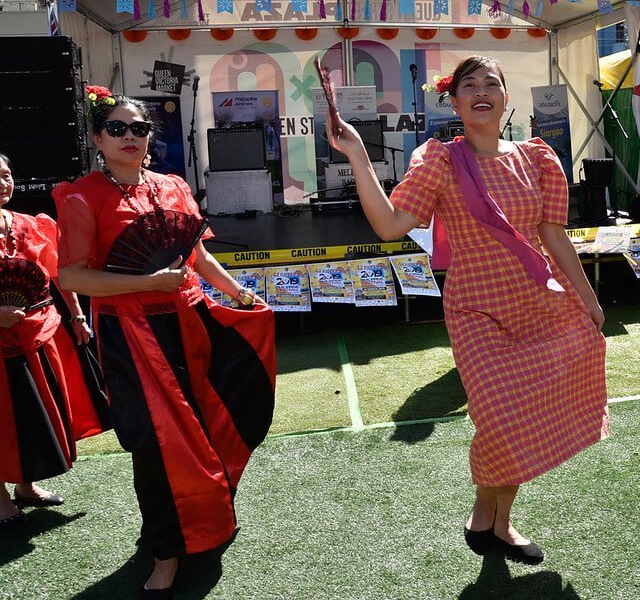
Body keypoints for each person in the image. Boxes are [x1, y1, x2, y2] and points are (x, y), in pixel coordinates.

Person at [325, 56, 607, 564]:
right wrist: (360, 159)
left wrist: (589, 300)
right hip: (476, 309)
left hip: (540, 302)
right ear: (453, 102)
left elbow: (552, 235)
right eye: (468, 85)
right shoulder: (440, 159)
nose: (481, 91)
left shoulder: (536, 157)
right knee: (499, 418)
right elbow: (391, 225)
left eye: (491, 83)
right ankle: (491, 513)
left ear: (505, 97)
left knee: (520, 419)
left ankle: (495, 518)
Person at [54, 90, 277, 596]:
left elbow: (195, 255)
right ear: (97, 139)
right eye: (116, 129)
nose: (129, 136)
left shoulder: (173, 186)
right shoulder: (84, 196)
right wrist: (146, 285)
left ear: (149, 138)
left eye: (138, 128)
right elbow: (72, 278)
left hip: (192, 322)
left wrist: (236, 290)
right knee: (155, 446)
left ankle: (211, 512)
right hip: (132, 337)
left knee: (212, 420)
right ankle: (165, 551)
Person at [0, 153, 105, 529]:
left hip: (37, 332)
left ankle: (26, 485)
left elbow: (63, 274)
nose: (4, 183)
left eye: (7, 175)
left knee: (33, 412)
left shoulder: (34, 224)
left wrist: (77, 316)